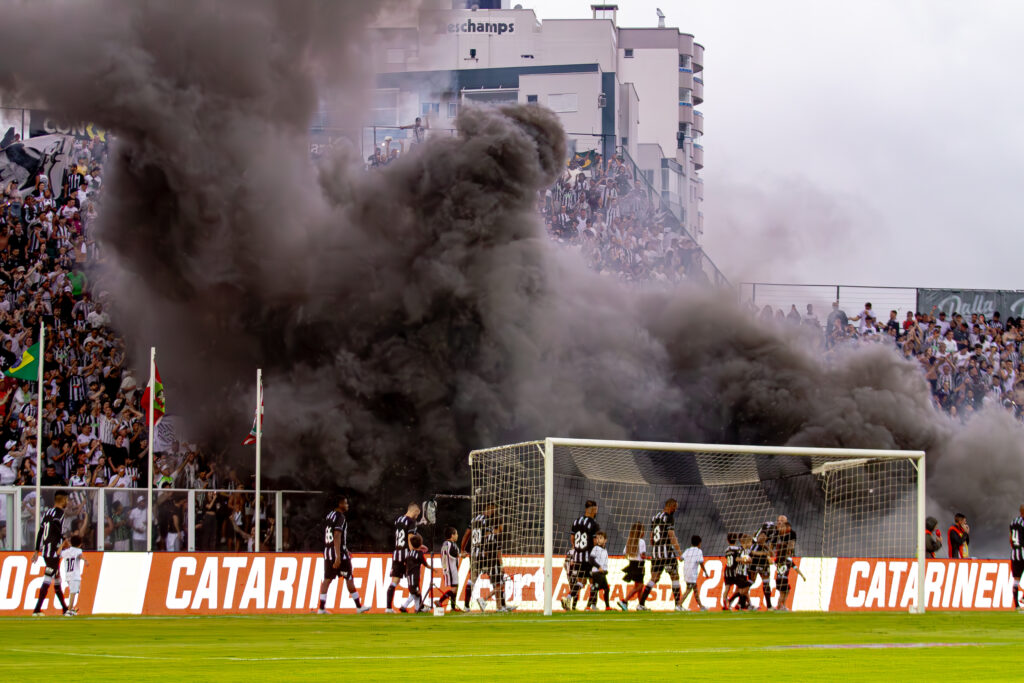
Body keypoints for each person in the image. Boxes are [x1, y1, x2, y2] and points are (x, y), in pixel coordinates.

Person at [317, 495, 370, 615]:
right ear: (340, 504)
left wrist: (345, 549)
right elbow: (336, 535)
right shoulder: (340, 517)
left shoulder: (329, 515)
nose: (347, 505)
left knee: (327, 580)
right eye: (345, 503)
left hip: (328, 551)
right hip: (338, 554)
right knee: (349, 578)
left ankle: (321, 608)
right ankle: (359, 607)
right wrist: (339, 556)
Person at [462, 502, 511, 612]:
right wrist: (485, 550)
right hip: (485, 555)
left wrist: (462, 549)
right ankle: (494, 603)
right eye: (493, 510)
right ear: (491, 510)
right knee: (498, 580)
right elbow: (487, 537)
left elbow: (467, 534)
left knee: (472, 580)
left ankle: (466, 606)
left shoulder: (474, 519)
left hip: (474, 554)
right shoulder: (488, 521)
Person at [30, 490, 71, 616]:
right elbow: (55, 525)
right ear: (63, 499)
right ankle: (36, 610)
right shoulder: (59, 513)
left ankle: (65, 609)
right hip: (53, 551)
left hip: (46, 550)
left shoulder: (47, 512)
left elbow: (40, 532)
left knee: (57, 579)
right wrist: (64, 539)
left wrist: (37, 550)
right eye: (67, 500)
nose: (67, 502)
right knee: (48, 579)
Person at [638, 499, 684, 611]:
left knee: (654, 578)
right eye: (675, 507)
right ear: (670, 506)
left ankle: (641, 604)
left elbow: (651, 536)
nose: (675, 509)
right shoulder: (669, 518)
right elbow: (671, 536)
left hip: (656, 553)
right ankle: (678, 605)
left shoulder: (655, 517)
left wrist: (655, 549)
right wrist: (680, 553)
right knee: (675, 577)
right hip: (667, 553)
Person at [561, 500, 599, 611]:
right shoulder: (593, 524)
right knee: (593, 581)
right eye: (596, 509)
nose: (596, 511)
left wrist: (577, 549)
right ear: (592, 509)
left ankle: (568, 597)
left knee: (581, 582)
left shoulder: (576, 521)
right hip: (589, 558)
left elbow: (572, 539)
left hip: (577, 557)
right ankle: (591, 606)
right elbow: (595, 542)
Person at [385, 501, 420, 613]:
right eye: (417, 514)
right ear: (414, 510)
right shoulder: (411, 522)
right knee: (413, 581)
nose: (417, 516)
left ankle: (388, 608)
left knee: (394, 581)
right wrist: (413, 553)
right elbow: (410, 539)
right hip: (406, 554)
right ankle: (418, 607)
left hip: (397, 553)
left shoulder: (398, 520)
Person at [618, 522, 647, 610]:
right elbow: (642, 555)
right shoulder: (641, 541)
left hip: (632, 564)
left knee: (638, 587)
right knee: (639, 586)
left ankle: (641, 605)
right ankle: (624, 601)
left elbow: (624, 553)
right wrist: (649, 557)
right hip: (639, 565)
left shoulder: (630, 541)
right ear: (640, 531)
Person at [399, 535, 431, 613]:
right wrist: (433, 569)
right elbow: (425, 563)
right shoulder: (419, 554)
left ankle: (417, 608)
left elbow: (404, 563)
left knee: (415, 592)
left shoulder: (409, 553)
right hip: (415, 575)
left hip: (409, 575)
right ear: (420, 544)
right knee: (415, 592)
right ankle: (407, 606)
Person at [679, 535, 709, 611]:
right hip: (692, 573)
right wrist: (705, 572)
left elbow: (681, 559)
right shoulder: (699, 551)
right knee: (689, 590)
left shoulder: (687, 550)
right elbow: (701, 563)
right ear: (699, 543)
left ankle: (701, 606)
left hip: (686, 572)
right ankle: (679, 605)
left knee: (695, 590)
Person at [59, 533, 87, 615]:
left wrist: (62, 545)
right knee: (73, 592)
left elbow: (58, 553)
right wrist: (85, 560)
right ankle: (69, 610)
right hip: (75, 575)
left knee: (73, 591)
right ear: (79, 544)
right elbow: (79, 555)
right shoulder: (78, 551)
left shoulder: (66, 551)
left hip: (68, 575)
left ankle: (71, 609)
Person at [437, 526, 462, 612]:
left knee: (455, 587)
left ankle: (453, 607)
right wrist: (462, 555)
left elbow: (445, 555)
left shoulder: (445, 544)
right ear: (452, 535)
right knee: (454, 588)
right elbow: (454, 554)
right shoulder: (451, 544)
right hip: (451, 569)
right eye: (456, 534)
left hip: (447, 568)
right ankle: (440, 601)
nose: (457, 535)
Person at [586, 531, 611, 611]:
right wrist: (599, 567)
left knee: (603, 588)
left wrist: (605, 570)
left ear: (605, 540)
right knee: (596, 588)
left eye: (601, 538)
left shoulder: (604, 549)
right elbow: (591, 560)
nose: (598, 540)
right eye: (597, 538)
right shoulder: (596, 548)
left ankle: (606, 607)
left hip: (601, 573)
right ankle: (588, 607)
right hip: (597, 572)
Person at [721, 532, 740, 611]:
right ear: (736, 540)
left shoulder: (727, 550)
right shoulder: (738, 549)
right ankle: (739, 603)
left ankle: (725, 604)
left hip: (727, 570)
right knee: (741, 587)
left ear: (728, 540)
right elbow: (738, 559)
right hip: (735, 571)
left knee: (727, 588)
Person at [1011, 505, 1024, 612]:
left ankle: (1016, 605)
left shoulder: (1013, 522)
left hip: (1014, 553)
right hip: (1023, 552)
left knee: (1016, 579)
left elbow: (1011, 538)